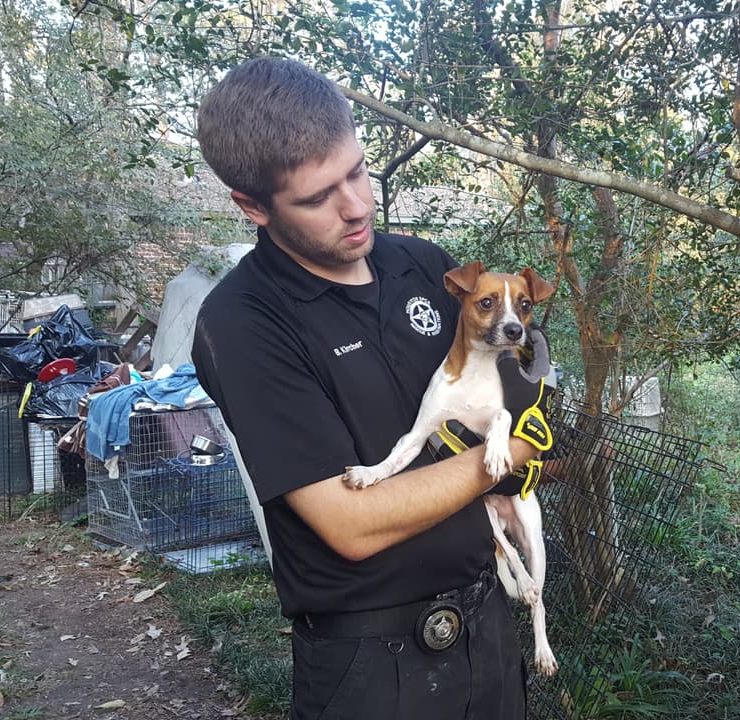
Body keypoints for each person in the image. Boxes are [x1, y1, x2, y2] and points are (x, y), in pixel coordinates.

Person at [189, 57, 553, 719]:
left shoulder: (422, 264)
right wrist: (516, 453)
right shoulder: (243, 322)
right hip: (371, 664)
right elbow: (351, 523)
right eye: (317, 196)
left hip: (488, 627)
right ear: (253, 206)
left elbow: (517, 378)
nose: (356, 206)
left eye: (356, 171)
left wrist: (525, 396)